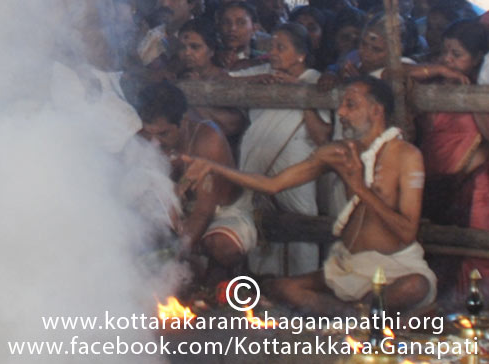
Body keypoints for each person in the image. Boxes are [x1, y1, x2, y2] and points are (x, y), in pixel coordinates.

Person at [182, 77, 434, 314]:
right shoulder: (338, 152)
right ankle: (358, 314)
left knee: (416, 286)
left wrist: (359, 188)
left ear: (376, 111)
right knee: (283, 288)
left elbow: (406, 232)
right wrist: (214, 168)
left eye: (350, 105)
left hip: (394, 266)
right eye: (341, 106)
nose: (342, 114)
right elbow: (272, 185)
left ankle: (355, 313)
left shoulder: (406, 156)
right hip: (349, 266)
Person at [234, 24, 333, 277]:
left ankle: (299, 297)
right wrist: (254, 80)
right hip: (257, 175)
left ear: (301, 54)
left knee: (302, 227)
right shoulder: (263, 74)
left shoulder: (314, 81)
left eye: (281, 47)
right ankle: (265, 298)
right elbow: (221, 79)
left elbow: (322, 136)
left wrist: (300, 94)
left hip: (296, 170)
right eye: (271, 47)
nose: (273, 53)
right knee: (261, 228)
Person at [135, 82, 246, 285]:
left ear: (184, 121)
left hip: (222, 211)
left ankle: (219, 273)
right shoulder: (143, 137)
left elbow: (204, 212)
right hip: (179, 211)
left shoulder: (207, 140)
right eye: (149, 133)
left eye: (163, 134)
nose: (154, 142)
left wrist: (173, 258)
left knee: (221, 247)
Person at [409, 20, 489, 295]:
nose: (448, 60)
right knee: (433, 253)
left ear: (478, 57)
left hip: (473, 185)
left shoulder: (480, 92)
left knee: (472, 253)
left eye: (457, 55)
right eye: (445, 52)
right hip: (433, 185)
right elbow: (389, 75)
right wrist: (439, 69)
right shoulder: (432, 81)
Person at [217, 1, 266, 71]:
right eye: (226, 22)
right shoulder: (207, 59)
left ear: (254, 28)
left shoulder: (264, 61)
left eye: (241, 23)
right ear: (219, 27)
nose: (232, 28)